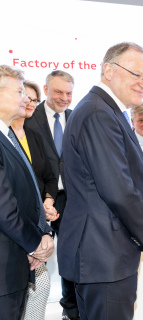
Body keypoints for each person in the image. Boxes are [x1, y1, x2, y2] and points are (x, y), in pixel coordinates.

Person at [57, 42, 143, 320]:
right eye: (136, 74)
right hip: (103, 253)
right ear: (108, 70)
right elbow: (118, 190)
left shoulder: (105, 110)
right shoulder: (98, 113)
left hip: (104, 253)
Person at [0, 65, 54, 319]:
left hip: (14, 262)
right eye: (19, 91)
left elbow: (26, 194)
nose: (26, 99)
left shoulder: (8, 135)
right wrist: (36, 243)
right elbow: (4, 208)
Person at [23, 70, 78, 320]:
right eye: (58, 92)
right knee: (32, 254)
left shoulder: (76, 118)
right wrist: (45, 198)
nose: (64, 98)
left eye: (68, 93)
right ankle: (25, 311)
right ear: (46, 90)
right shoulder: (28, 118)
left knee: (71, 254)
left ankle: (70, 309)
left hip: (71, 200)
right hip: (36, 201)